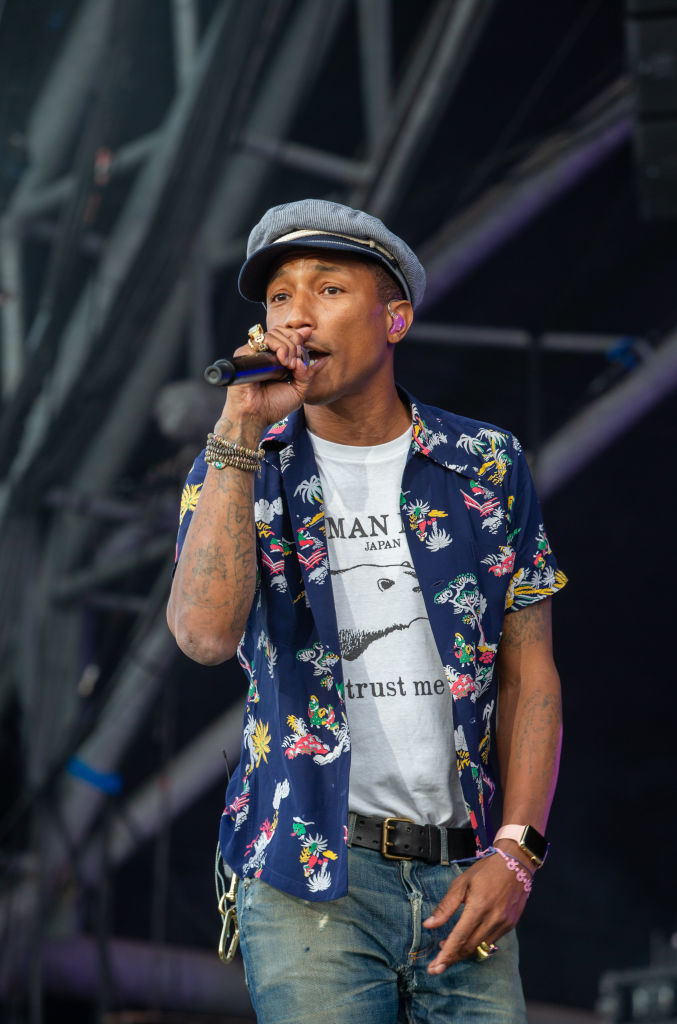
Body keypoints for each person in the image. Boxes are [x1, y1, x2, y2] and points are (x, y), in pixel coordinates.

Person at [167, 198, 567, 1023]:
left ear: (395, 318)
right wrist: (239, 427)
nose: (294, 314)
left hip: (464, 871)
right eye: (278, 297)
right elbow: (204, 637)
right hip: (307, 876)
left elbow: (529, 671)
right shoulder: (242, 464)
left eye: (326, 288)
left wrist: (518, 853)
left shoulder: (484, 462)